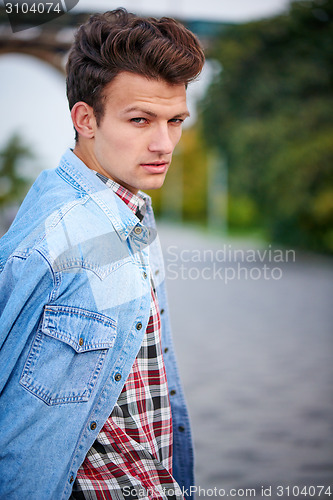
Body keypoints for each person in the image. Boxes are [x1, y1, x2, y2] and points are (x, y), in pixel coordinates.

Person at [0, 8, 205, 500]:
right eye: (140, 120)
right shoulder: (53, 240)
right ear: (85, 119)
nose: (165, 144)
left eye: (175, 121)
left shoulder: (129, 213)